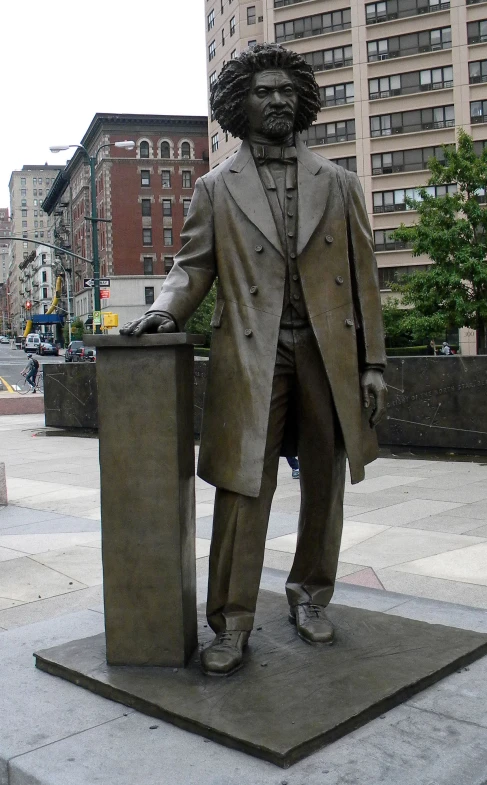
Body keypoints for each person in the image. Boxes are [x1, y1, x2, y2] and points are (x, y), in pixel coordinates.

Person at [121, 43, 387, 677]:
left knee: (324, 481)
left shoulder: (341, 184)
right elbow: (190, 268)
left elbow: (364, 278)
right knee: (244, 488)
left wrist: (373, 362)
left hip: (328, 353)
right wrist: (165, 312)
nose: (276, 100)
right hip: (252, 355)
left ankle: (311, 595)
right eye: (263, 92)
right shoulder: (216, 188)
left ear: (303, 101)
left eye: (286, 91)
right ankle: (232, 620)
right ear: (240, 105)